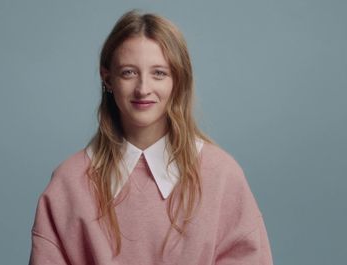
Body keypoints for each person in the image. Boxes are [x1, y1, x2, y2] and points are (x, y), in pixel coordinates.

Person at [29, 10, 273, 265]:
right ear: (107, 78)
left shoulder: (222, 176)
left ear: (178, 80)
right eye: (128, 73)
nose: (143, 89)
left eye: (159, 73)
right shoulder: (68, 183)